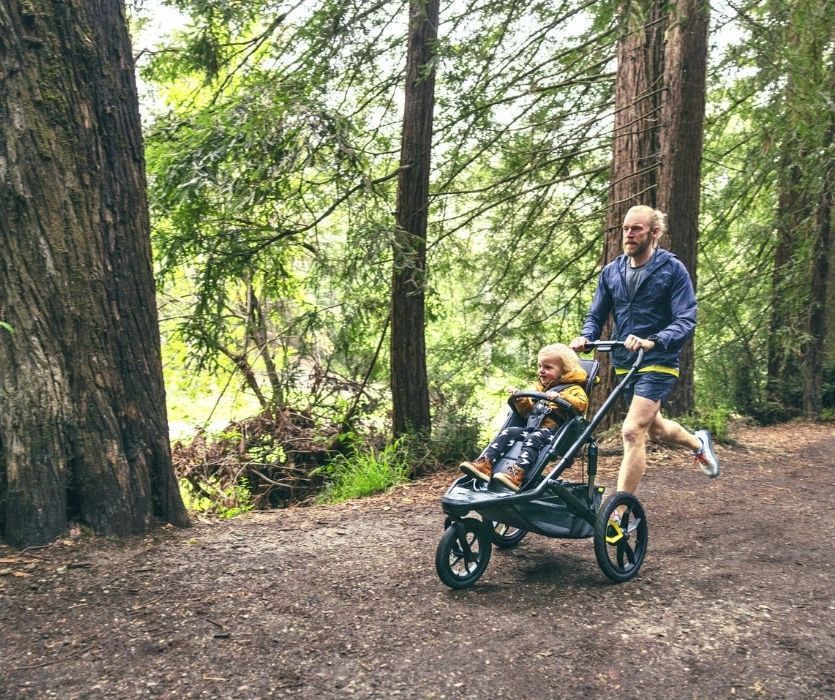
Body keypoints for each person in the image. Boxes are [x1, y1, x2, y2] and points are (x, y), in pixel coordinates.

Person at [569, 205, 720, 508]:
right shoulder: (612, 272)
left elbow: (686, 319)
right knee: (657, 429)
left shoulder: (672, 269)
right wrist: (586, 336)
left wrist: (655, 341)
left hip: (659, 360)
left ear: (654, 233)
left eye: (636, 229)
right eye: (625, 228)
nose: (629, 234)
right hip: (625, 362)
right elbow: (596, 314)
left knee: (632, 430)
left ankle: (618, 511)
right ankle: (698, 443)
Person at [459, 343, 589, 492]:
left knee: (533, 438)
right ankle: (485, 464)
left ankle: (517, 473)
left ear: (564, 371)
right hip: (533, 428)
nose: (541, 371)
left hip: (555, 433)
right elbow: (528, 413)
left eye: (548, 367)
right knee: (508, 432)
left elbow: (582, 404)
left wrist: (562, 397)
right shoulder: (540, 388)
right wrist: (521, 399)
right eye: (540, 366)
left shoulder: (574, 389)